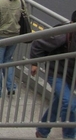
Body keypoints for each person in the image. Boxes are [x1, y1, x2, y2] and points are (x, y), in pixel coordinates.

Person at [31, 10, 76, 139]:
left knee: (59, 103)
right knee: (69, 103)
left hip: (71, 76)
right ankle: (69, 136)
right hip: (57, 74)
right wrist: (34, 63)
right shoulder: (64, 34)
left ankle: (42, 131)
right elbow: (38, 43)